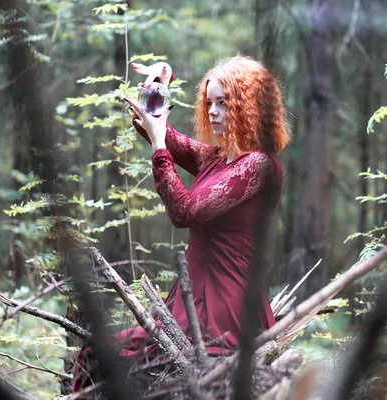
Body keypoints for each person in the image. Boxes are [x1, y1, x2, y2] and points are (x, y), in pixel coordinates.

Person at [72, 55, 291, 391]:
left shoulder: (258, 166)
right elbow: (149, 123)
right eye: (209, 103)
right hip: (187, 308)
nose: (213, 112)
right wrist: (158, 86)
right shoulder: (214, 158)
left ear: (250, 106)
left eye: (224, 103)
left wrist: (159, 143)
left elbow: (184, 211)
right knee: (96, 353)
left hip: (226, 315)